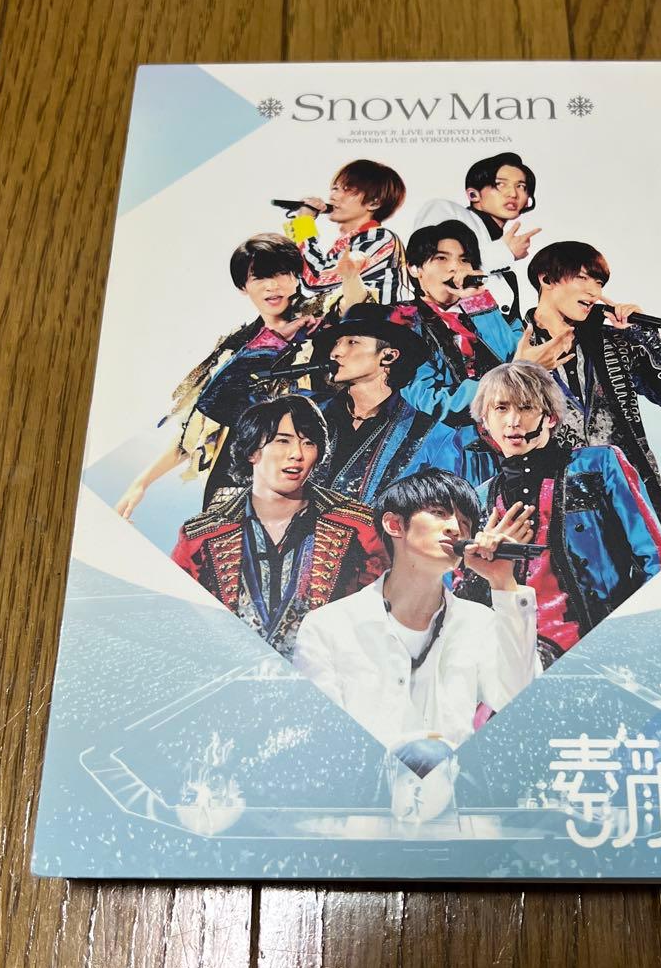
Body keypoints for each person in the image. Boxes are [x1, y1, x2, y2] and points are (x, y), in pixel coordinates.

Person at [293, 469, 540, 759]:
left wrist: (503, 583)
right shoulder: (328, 626)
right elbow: (322, 738)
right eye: (439, 513)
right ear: (394, 524)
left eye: (465, 523)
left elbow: (519, 699)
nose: (455, 529)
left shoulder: (479, 623)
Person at [115, 234, 367, 518]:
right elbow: (199, 426)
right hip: (236, 476)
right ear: (243, 287)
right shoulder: (235, 345)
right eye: (259, 277)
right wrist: (142, 482)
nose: (272, 286)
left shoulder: (319, 318)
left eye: (281, 274)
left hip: (306, 470)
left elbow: (357, 312)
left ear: (296, 277)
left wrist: (350, 276)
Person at [465, 362, 661, 667]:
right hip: (522, 661)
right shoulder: (478, 499)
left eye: (526, 407)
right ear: (485, 419)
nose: (512, 421)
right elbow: (467, 602)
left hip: (609, 647)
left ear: (550, 416)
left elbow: (655, 558)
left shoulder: (599, 464)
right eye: (501, 408)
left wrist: (639, 639)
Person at [171, 395, 387, 658]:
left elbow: (383, 617)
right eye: (283, 441)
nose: (297, 454)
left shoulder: (359, 526)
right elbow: (177, 622)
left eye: (309, 443)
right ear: (252, 451)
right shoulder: (201, 535)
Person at [525, 241, 661, 554]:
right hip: (560, 510)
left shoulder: (612, 342)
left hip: (634, 501)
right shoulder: (512, 343)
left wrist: (643, 335)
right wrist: (522, 370)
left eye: (599, 283)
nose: (594, 292)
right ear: (546, 279)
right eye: (582, 278)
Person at [401, 220, 570, 428]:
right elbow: (432, 403)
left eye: (464, 260)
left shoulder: (490, 312)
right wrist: (512, 375)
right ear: (414, 268)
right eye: (441, 258)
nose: (456, 267)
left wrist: (477, 301)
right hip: (450, 441)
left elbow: (514, 356)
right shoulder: (400, 322)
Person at [309, 303, 453, 504]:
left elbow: (444, 510)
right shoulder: (309, 414)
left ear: (389, 356)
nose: (335, 352)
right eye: (336, 342)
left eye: (352, 342)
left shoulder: (433, 435)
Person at [414, 152, 541, 322]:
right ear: (473, 194)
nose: (513, 193)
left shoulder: (507, 274)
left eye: (521, 186)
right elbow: (433, 268)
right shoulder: (446, 210)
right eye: (500, 184)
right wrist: (504, 252)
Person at [293, 159, 408, 304]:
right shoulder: (347, 244)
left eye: (347, 190)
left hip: (373, 318)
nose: (333, 196)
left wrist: (304, 223)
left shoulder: (380, 238)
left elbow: (316, 278)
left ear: (374, 203)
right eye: (335, 188)